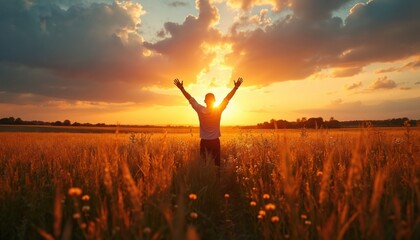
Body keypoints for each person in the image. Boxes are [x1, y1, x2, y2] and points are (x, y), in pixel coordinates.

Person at [174, 77, 243, 166]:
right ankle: (217, 179)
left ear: (205, 101)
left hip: (204, 142)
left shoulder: (200, 109)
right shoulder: (218, 109)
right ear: (214, 101)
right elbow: (227, 98)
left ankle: (205, 178)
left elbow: (190, 98)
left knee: (204, 164)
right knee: (217, 165)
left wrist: (181, 88)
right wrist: (235, 88)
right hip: (215, 142)